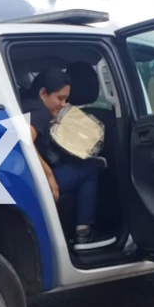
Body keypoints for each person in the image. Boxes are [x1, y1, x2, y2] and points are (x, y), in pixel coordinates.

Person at [21, 67, 116, 251]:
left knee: (78, 165)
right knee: (88, 170)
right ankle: (84, 233)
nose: (63, 103)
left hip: (24, 176)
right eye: (60, 98)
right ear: (43, 93)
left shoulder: (27, 104)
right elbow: (23, 140)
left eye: (66, 99)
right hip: (35, 181)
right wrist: (48, 176)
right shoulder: (40, 112)